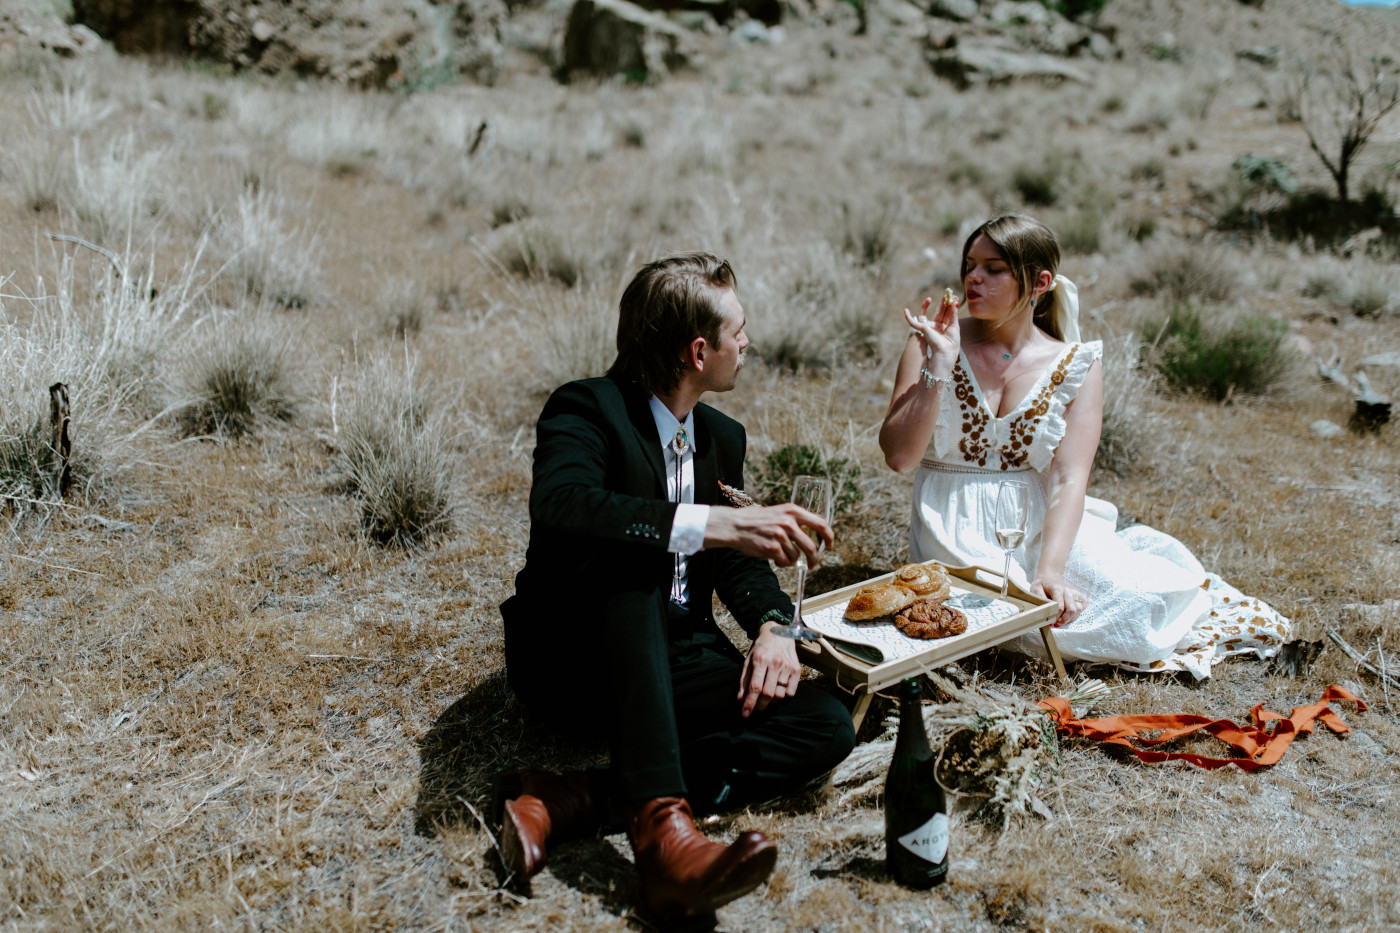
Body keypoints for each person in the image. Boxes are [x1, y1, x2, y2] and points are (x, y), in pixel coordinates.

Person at [498, 252, 856, 919]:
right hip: (578, 659)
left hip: (680, 658)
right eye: (738, 329)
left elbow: (738, 561)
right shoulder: (587, 408)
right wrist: (712, 521)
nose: (747, 341)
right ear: (699, 350)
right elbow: (565, 504)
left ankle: (573, 796)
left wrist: (777, 627)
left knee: (825, 723)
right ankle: (665, 842)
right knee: (635, 555)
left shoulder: (720, 434)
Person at [878, 214, 1289, 679]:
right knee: (1014, 625)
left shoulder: (1076, 362)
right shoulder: (930, 343)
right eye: (970, 264)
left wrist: (1050, 572)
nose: (973, 277)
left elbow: (1069, 476)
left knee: (1134, 609)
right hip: (953, 523)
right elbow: (899, 457)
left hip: (1038, 523)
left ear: (1040, 282)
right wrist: (940, 362)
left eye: (993, 268)